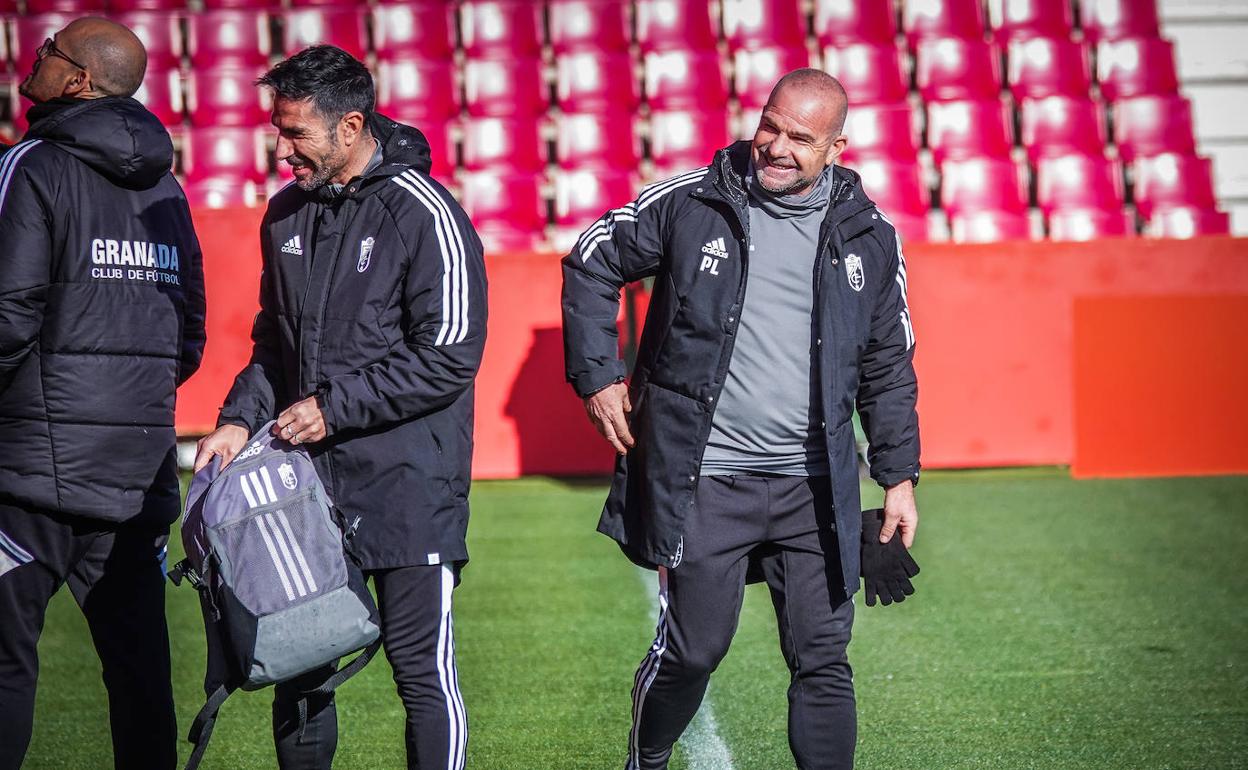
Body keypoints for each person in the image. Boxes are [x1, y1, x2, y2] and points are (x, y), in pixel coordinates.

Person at [561, 68, 921, 769]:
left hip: (814, 487)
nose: (777, 146)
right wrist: (599, 374)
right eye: (770, 125)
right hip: (705, 479)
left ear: (836, 148)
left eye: (800, 137)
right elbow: (591, 260)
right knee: (696, 649)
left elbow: (889, 362)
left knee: (822, 657)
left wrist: (899, 477)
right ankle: (649, 754)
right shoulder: (695, 199)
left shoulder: (870, 237)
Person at [193, 45, 486, 770]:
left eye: (296, 134)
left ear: (350, 126)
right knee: (299, 672)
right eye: (276, 129)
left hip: (411, 483)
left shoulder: (426, 212)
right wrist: (237, 418)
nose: (280, 148)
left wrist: (333, 407)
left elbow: (449, 352)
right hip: (305, 489)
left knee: (422, 677)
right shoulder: (284, 215)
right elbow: (273, 343)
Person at [0, 17, 207, 770]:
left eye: (49, 50)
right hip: (136, 474)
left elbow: (6, 315)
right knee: (140, 674)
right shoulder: (168, 185)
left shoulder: (29, 166)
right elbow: (190, 333)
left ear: (78, 80)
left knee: (5, 667)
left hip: (26, 478)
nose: (36, 56)